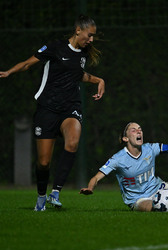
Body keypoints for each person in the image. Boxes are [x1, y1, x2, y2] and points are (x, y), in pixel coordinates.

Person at [0, 15, 105, 211]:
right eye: (89, 35)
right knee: (43, 162)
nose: (91, 40)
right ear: (78, 30)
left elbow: (77, 74)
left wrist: (99, 80)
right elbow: (27, 63)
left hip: (70, 107)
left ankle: (55, 192)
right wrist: (8, 72)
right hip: (47, 108)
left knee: (73, 142)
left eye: (93, 36)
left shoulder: (82, 54)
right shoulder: (55, 48)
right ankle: (41, 197)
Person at [80, 122, 168, 212]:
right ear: (125, 138)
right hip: (138, 199)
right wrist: (90, 188)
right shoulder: (118, 159)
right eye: (133, 130)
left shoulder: (150, 148)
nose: (139, 132)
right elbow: (96, 178)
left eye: (140, 129)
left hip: (158, 187)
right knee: (158, 208)